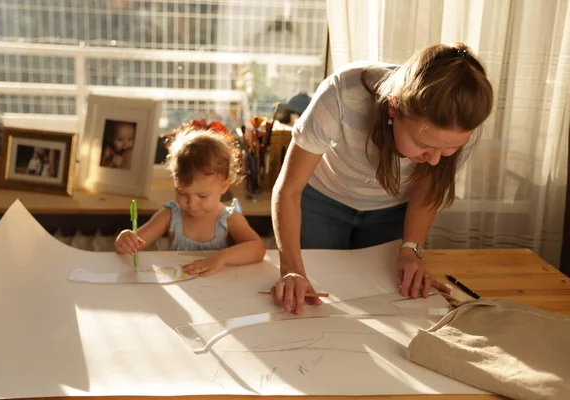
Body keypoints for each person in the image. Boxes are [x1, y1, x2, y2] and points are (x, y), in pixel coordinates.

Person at [270, 42, 494, 315]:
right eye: (424, 145)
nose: (435, 159)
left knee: (382, 299)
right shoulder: (342, 93)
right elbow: (290, 188)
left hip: (391, 210)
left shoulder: (455, 124)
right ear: (393, 108)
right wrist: (291, 269)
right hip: (321, 201)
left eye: (449, 150)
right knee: (314, 294)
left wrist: (411, 249)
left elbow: (427, 184)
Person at [115, 127, 266, 276]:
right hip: (180, 290)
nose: (191, 204)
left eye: (202, 196)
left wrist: (221, 257)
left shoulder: (229, 219)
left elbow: (258, 249)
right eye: (182, 193)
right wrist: (125, 240)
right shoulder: (170, 215)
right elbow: (132, 245)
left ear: (224, 186)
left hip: (218, 291)